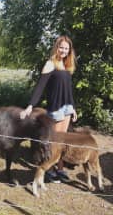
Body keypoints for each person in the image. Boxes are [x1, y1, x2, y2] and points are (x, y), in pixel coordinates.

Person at [20, 35, 77, 183]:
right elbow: (40, 87)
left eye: (66, 48)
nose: (63, 50)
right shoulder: (50, 64)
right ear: (56, 48)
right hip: (56, 108)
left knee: (62, 140)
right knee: (54, 141)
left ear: (69, 50)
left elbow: (68, 90)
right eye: (61, 47)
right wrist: (30, 106)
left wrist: (73, 108)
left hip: (67, 108)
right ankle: (49, 170)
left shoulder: (67, 65)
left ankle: (60, 169)